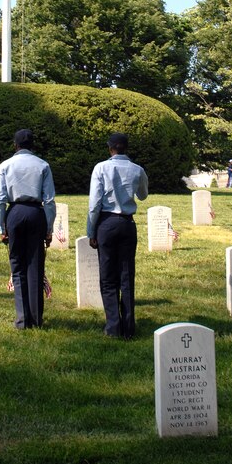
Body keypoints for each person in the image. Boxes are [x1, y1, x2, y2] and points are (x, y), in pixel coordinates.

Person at [87, 133, 148, 340]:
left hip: (106, 223)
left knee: (107, 276)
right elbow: (143, 195)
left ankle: (113, 326)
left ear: (110, 148)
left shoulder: (101, 168)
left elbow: (94, 203)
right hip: (127, 223)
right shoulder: (137, 169)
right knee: (126, 274)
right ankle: (129, 327)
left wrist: (90, 230)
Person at [0, 129, 56, 329]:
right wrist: (49, 227)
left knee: (17, 266)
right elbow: (50, 200)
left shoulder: (5, 165)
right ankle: (36, 319)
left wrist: (1, 226)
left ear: (15, 145)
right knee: (35, 266)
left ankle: (22, 319)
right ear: (33, 145)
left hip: (15, 213)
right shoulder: (43, 165)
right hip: (36, 213)